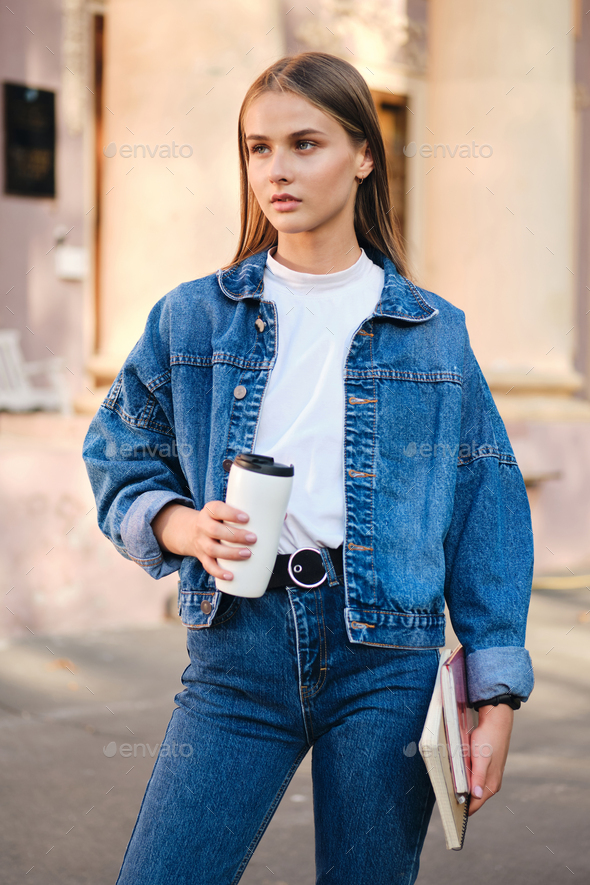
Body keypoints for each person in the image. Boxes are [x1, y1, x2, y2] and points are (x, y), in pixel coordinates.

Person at [82, 51, 535, 885]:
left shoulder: (435, 334)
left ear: (365, 154)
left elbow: (485, 505)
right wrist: (179, 523)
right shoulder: (194, 317)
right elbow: (118, 446)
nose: (276, 170)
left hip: (387, 660)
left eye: (304, 144)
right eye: (257, 148)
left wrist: (494, 688)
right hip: (238, 652)